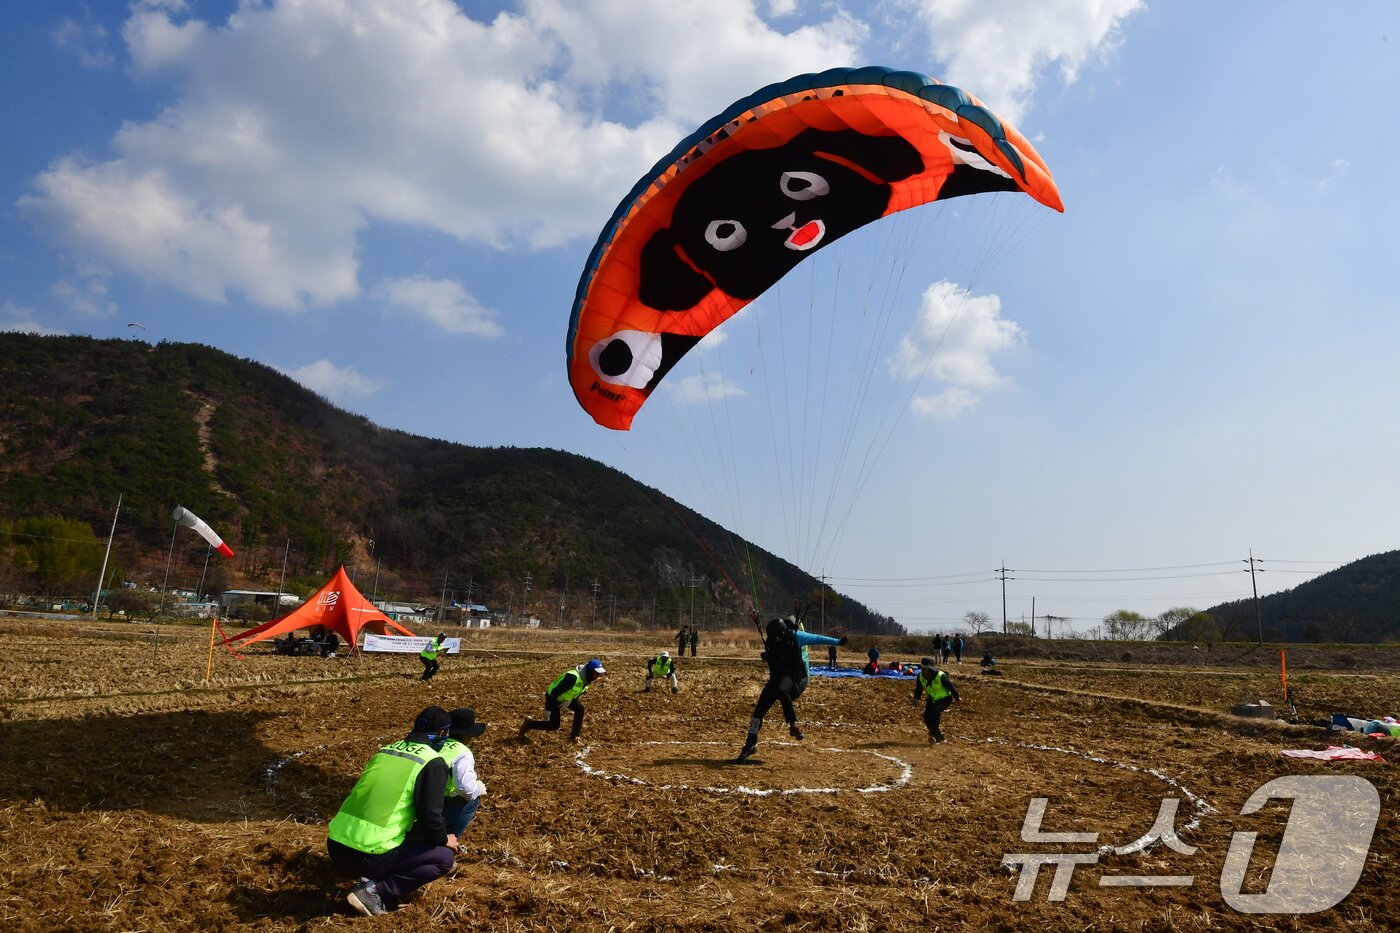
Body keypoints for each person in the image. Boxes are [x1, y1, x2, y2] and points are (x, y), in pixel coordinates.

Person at [327, 706, 459, 917]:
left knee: (407, 832)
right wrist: (445, 839)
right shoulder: (433, 762)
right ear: (443, 733)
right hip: (368, 854)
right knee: (442, 858)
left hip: (336, 845)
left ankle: (369, 878)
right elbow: (430, 818)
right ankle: (374, 891)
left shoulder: (386, 750)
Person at [735, 617, 844, 763]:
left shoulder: (795, 636)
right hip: (776, 678)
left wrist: (837, 642)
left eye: (777, 637)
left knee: (781, 690)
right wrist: (767, 656)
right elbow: (773, 657)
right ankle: (749, 746)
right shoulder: (771, 641)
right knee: (757, 714)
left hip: (793, 679)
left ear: (782, 633)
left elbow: (817, 638)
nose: (776, 640)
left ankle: (793, 726)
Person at [520, 658, 607, 744]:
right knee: (554, 725)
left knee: (580, 709)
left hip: (566, 698)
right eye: (596, 673)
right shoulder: (572, 677)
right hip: (554, 698)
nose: (597, 676)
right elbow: (554, 693)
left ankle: (575, 736)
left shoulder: (587, 680)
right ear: (589, 670)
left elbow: (578, 693)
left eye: (599, 674)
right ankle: (529, 724)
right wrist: (548, 709)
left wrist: (570, 700)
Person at [441, 708, 488, 838]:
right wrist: (477, 789)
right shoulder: (462, 752)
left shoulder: (433, 744)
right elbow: (465, 789)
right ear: (467, 735)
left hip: (420, 801)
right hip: (442, 804)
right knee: (472, 798)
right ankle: (451, 837)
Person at [913, 657, 960, 744]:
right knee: (927, 717)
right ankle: (934, 734)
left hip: (944, 698)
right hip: (932, 698)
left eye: (926, 669)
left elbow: (951, 687)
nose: (924, 671)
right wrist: (916, 698)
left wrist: (957, 698)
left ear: (930, 669)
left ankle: (938, 736)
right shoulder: (920, 676)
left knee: (935, 712)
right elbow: (918, 689)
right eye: (923, 669)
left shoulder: (940, 676)